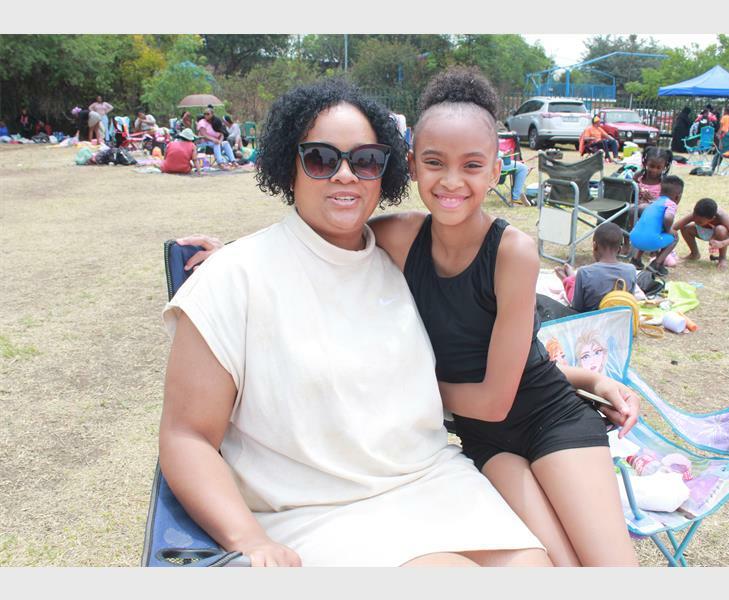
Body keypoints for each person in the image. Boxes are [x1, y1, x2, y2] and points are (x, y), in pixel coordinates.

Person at [160, 76, 551, 568]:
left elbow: (473, 347)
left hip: (434, 481)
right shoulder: (234, 278)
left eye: (365, 160)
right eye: (321, 159)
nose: (345, 175)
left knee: (534, 571)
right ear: (289, 166)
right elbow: (187, 436)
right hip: (317, 510)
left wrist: (585, 379)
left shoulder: (400, 260)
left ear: (386, 172)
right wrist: (250, 539)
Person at [369, 67, 640, 567]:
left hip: (551, 419)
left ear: (496, 171)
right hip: (485, 440)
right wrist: (231, 253)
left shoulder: (512, 251)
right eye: (434, 162)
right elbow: (319, 237)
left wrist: (405, 388)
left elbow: (497, 397)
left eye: (472, 165)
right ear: (411, 165)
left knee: (612, 572)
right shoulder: (398, 236)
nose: (452, 180)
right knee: (560, 570)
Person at [555, 222, 638, 312]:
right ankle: (571, 278)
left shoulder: (584, 272)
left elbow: (576, 308)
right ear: (620, 249)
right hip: (620, 318)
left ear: (594, 246)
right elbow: (630, 301)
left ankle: (568, 280)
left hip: (593, 320)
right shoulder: (631, 270)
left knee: (573, 291)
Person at [629, 175, 684, 275]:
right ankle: (657, 264)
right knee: (675, 237)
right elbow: (668, 218)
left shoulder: (653, 202)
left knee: (648, 232)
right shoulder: (671, 204)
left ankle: (636, 260)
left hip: (634, 238)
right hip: (650, 241)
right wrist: (668, 230)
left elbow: (636, 210)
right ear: (678, 197)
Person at [672, 197, 729, 271]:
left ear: (712, 218)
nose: (696, 221)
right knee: (685, 227)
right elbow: (674, 227)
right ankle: (694, 254)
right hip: (707, 231)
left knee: (721, 229)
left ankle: (722, 258)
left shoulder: (721, 216)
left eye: (699, 222)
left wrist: (722, 243)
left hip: (723, 235)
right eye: (694, 218)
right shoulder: (697, 214)